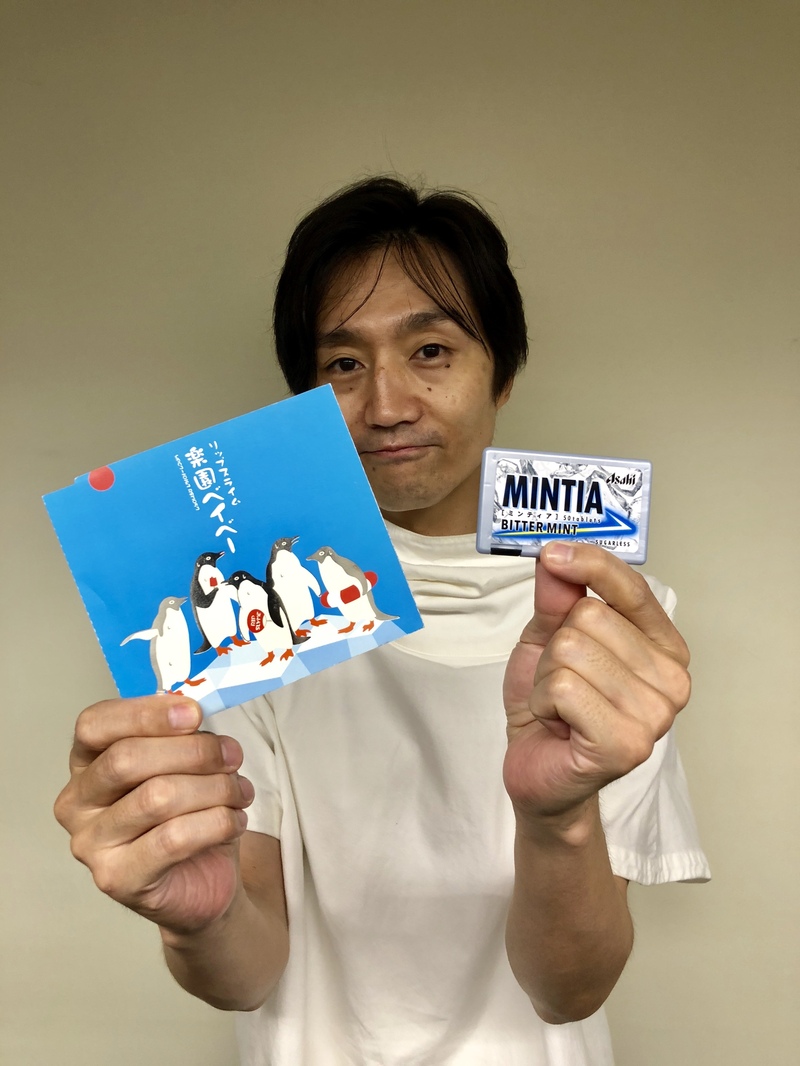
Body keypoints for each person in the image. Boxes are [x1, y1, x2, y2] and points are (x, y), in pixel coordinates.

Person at [55, 177, 709, 1065]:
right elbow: (248, 970)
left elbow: (569, 990)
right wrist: (196, 917)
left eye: (431, 350)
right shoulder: (261, 605)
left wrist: (558, 819)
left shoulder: (610, 617)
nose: (388, 405)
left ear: (503, 375)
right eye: (343, 365)